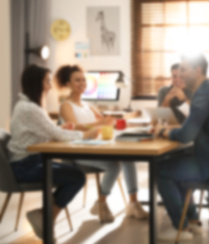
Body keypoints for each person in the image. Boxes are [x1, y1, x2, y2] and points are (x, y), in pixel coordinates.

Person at [7, 65, 99, 240]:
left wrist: (61, 128)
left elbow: (47, 131)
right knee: (77, 177)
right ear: (37, 83)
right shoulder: (30, 109)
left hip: (28, 162)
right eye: (47, 82)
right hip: (25, 166)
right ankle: (46, 217)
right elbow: (56, 134)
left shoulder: (27, 105)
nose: (50, 86)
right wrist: (85, 134)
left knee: (74, 175)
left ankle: (44, 216)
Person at [152, 54, 209, 241]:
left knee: (159, 170)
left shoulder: (203, 96)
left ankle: (181, 227)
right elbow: (193, 127)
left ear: (198, 71)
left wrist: (164, 132)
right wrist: (174, 130)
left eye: (184, 70)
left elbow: (186, 135)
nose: (179, 75)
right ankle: (192, 221)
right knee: (172, 164)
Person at [55, 65, 148, 223]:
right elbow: (76, 126)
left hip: (95, 148)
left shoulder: (87, 105)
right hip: (79, 151)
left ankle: (133, 203)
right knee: (114, 165)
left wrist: (131, 125)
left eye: (83, 80)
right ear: (68, 83)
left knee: (129, 157)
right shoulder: (66, 105)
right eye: (77, 80)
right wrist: (101, 123)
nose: (82, 83)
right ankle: (101, 203)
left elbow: (106, 122)